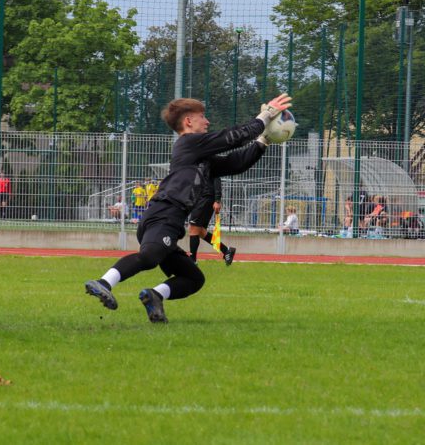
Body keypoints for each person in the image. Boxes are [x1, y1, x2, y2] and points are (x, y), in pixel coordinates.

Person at [84, 93, 291, 323]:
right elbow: (232, 137)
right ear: (188, 121)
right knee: (150, 257)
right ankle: (103, 283)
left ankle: (154, 296)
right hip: (163, 215)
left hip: (169, 221)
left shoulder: (200, 156)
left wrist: (263, 141)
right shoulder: (188, 143)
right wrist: (265, 116)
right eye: (202, 117)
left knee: (193, 278)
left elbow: (236, 163)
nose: (207, 121)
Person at [187, 176, 239, 265]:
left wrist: (217, 200)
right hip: (201, 199)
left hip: (206, 198)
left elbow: (216, 177)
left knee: (193, 228)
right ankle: (226, 250)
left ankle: (193, 260)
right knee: (200, 231)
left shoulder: (209, 167)